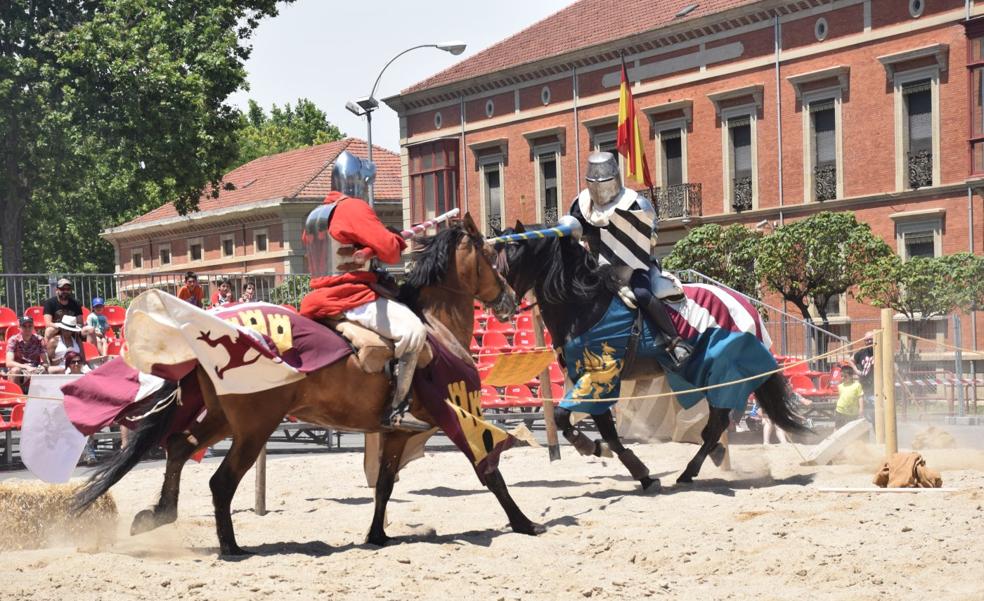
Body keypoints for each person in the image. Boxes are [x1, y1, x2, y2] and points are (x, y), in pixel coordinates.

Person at [300, 149, 428, 432]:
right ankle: (398, 408)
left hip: (317, 298)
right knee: (414, 331)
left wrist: (369, 248)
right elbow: (392, 252)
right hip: (350, 296)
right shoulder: (353, 208)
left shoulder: (317, 214)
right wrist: (391, 239)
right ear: (357, 183)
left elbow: (347, 248)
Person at [568, 151, 691, 368]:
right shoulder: (581, 205)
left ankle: (675, 341)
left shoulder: (635, 203)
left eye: (604, 182)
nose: (599, 188)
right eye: (594, 183)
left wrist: (634, 235)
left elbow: (651, 237)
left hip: (634, 266)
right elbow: (573, 234)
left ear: (614, 179)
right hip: (597, 270)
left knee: (642, 293)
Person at [42, 278, 94, 343]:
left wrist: (70, 329)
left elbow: (80, 323)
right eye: (62, 289)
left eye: (68, 289)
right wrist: (63, 328)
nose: (65, 291)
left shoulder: (76, 303)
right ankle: (47, 352)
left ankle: (92, 352)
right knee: (49, 330)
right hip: (58, 329)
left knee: (90, 329)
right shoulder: (49, 303)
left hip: (73, 329)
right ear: (57, 290)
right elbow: (48, 323)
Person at [5, 316, 49, 392]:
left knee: (56, 370)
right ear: (19, 327)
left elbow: (45, 362)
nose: (27, 328)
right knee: (15, 370)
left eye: (30, 326)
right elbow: (9, 363)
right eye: (24, 326)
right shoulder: (13, 340)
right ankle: (17, 398)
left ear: (33, 327)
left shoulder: (39, 339)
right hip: (20, 368)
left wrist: (42, 367)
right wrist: (25, 367)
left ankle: (45, 400)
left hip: (35, 368)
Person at [849, 331, 876, 424]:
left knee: (875, 414)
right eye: (867, 340)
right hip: (864, 386)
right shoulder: (862, 351)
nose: (868, 342)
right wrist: (856, 371)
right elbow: (851, 360)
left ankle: (878, 434)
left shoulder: (880, 351)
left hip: (875, 387)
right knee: (864, 415)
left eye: (871, 339)